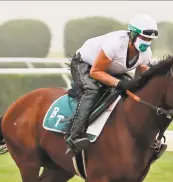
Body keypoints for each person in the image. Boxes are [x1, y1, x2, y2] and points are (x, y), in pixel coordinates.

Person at [65, 14, 159, 154]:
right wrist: (118, 83)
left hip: (108, 69)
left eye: (150, 39)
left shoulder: (146, 54)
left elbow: (139, 75)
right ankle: (74, 135)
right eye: (144, 38)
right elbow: (96, 72)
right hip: (85, 64)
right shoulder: (115, 44)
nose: (147, 42)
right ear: (132, 34)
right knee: (92, 89)